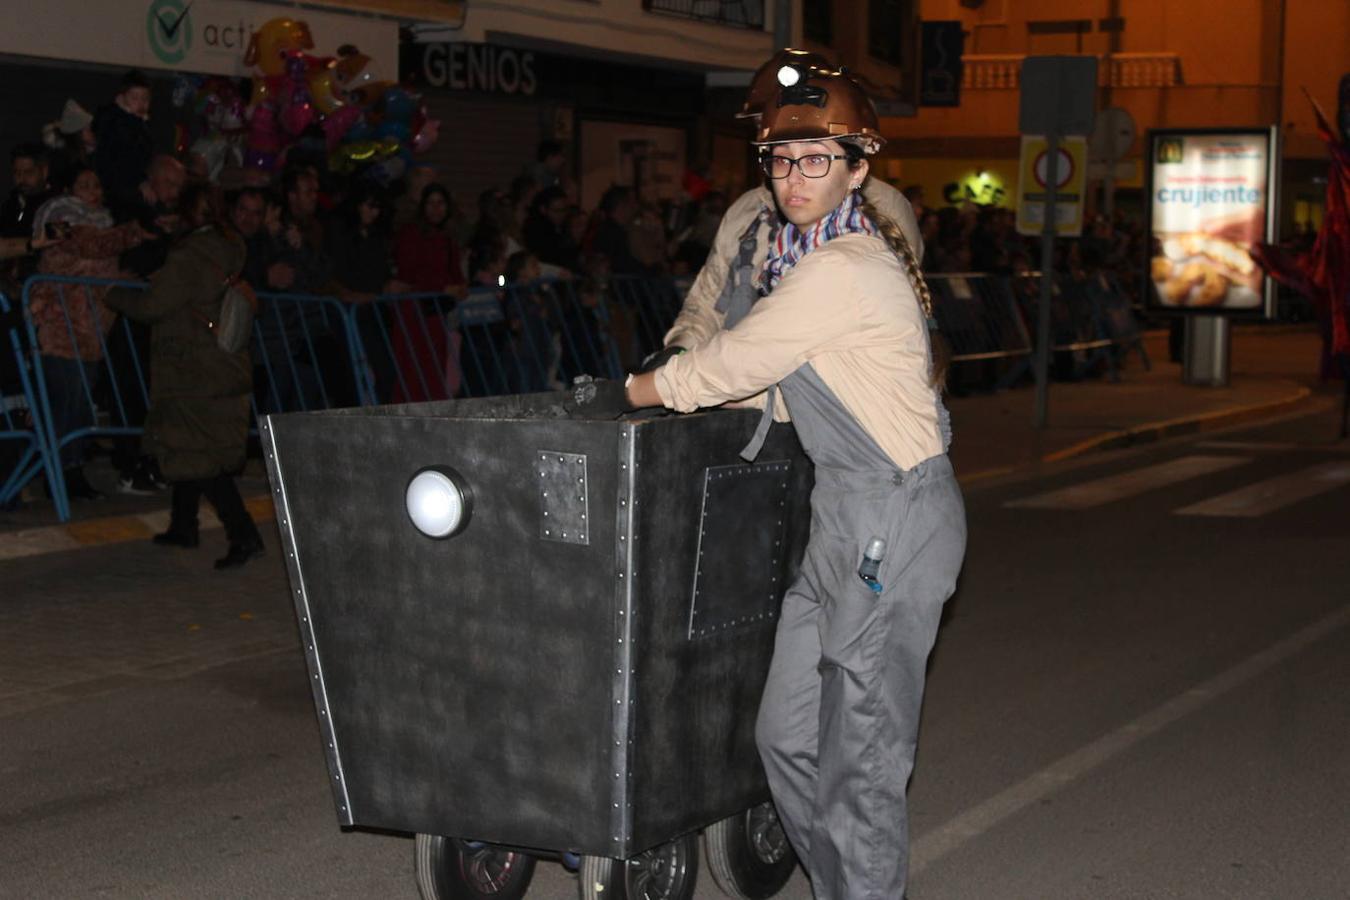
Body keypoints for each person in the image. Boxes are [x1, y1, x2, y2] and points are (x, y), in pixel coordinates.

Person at [592, 67, 967, 899]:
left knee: (859, 758)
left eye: (815, 160)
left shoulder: (845, 264)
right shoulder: (785, 246)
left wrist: (628, 392)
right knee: (787, 738)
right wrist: (687, 370)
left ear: (858, 168)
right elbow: (756, 355)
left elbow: (740, 356)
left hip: (895, 515)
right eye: (781, 160)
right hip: (844, 514)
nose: (795, 179)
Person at [652, 50, 922, 368]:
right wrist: (678, 352)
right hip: (744, 391)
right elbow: (708, 300)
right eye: (760, 125)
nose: (767, 134)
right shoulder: (747, 210)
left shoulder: (882, 211)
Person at [104, 189, 265, 570]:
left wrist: (113, 294)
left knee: (200, 456)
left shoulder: (188, 256)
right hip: (219, 362)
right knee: (186, 446)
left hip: (192, 366)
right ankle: (183, 524)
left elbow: (152, 306)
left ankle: (243, 534)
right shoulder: (229, 248)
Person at [27, 167, 147, 499]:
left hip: (91, 331)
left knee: (80, 407)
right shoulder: (59, 219)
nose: (91, 190)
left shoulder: (105, 222)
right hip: (58, 328)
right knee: (68, 403)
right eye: (83, 184)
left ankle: (71, 469)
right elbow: (88, 247)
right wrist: (134, 232)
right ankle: (60, 472)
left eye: (96, 184)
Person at [392, 182, 467, 401]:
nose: (436, 209)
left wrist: (460, 287)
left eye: (441, 203)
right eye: (431, 203)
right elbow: (409, 272)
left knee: (434, 366)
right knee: (412, 368)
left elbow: (454, 272)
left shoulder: (447, 237)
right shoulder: (411, 234)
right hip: (413, 312)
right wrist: (443, 287)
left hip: (436, 312)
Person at [93, 70, 154, 213]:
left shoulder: (142, 125)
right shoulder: (112, 120)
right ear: (121, 98)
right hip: (116, 191)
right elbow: (124, 155)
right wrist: (140, 180)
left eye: (145, 98)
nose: (141, 103)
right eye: (135, 98)